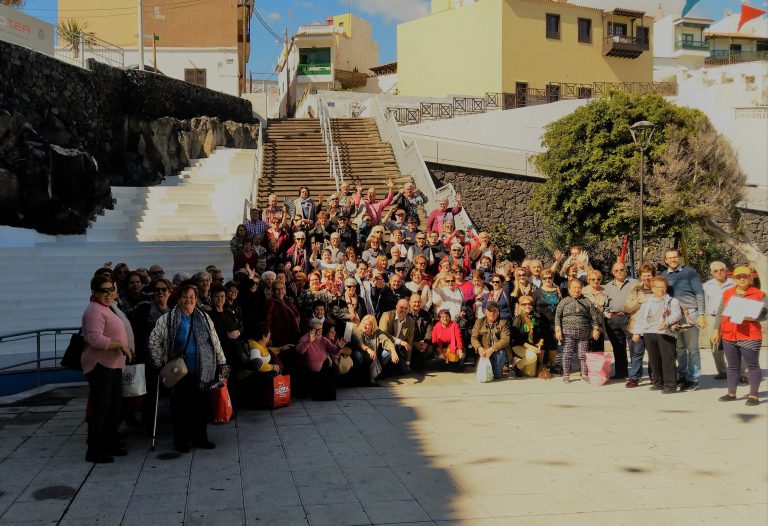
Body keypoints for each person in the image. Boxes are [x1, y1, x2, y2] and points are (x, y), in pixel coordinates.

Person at [149, 283, 229, 453]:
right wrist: (159, 364)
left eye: (192, 297)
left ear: (196, 299)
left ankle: (200, 438)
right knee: (181, 408)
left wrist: (222, 362)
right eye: (185, 296)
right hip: (179, 372)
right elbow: (154, 341)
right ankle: (181, 441)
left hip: (202, 370)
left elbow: (214, 341)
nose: (189, 300)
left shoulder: (204, 317)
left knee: (200, 407)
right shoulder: (168, 319)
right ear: (178, 299)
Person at [81, 275, 134, 463]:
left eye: (111, 289)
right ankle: (94, 450)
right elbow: (95, 339)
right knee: (102, 409)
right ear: (94, 292)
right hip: (100, 367)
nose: (109, 293)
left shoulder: (106, 308)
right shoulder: (94, 310)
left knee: (113, 408)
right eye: (104, 290)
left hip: (112, 366)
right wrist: (120, 344)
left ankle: (108, 443)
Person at [712, 266, 767, 406]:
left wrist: (752, 317)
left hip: (750, 335)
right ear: (734, 279)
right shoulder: (728, 293)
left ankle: (753, 396)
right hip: (729, 334)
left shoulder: (759, 294)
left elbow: (765, 314)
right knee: (732, 366)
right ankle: (731, 393)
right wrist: (715, 330)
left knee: (752, 366)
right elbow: (720, 313)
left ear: (750, 278)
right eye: (738, 276)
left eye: (745, 276)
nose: (742, 278)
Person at [661, 248, 706, 392]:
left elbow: (699, 293)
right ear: (665, 260)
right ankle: (683, 375)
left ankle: (694, 378)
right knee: (680, 349)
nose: (673, 260)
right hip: (675, 316)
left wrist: (701, 314)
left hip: (690, 314)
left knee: (692, 349)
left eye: (675, 257)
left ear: (679, 258)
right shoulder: (664, 275)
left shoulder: (689, 272)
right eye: (669, 258)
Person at [632, 276, 683, 394]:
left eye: (663, 287)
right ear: (652, 288)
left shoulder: (672, 301)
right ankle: (658, 382)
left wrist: (666, 322)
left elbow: (677, 315)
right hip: (649, 332)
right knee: (654, 359)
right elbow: (641, 317)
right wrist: (637, 332)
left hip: (665, 333)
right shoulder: (647, 301)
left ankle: (670, 385)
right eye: (658, 287)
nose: (661, 289)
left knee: (668, 359)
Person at [555, 279, 601, 383]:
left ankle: (584, 374)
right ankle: (566, 374)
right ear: (569, 289)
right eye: (574, 287)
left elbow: (594, 317)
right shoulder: (564, 301)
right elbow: (558, 316)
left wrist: (596, 329)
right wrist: (558, 330)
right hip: (567, 332)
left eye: (579, 287)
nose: (577, 290)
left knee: (583, 354)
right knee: (567, 354)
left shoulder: (587, 301)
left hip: (584, 332)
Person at [702, 261, 736, 380]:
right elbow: (704, 302)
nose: (719, 272)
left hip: (731, 317)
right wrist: (703, 318)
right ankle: (722, 371)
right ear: (711, 273)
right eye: (716, 271)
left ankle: (739, 372)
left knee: (734, 344)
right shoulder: (707, 286)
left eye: (721, 270)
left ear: (726, 271)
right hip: (713, 317)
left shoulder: (734, 284)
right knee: (715, 345)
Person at [603, 262, 636, 380]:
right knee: (617, 346)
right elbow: (606, 303)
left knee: (634, 346)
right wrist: (607, 314)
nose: (619, 272)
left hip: (629, 317)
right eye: (616, 271)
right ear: (612, 272)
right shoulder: (608, 286)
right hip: (614, 319)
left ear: (626, 271)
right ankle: (621, 372)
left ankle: (635, 374)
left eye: (621, 270)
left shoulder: (634, 283)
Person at [623, 264, 655, 387]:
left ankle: (654, 376)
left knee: (653, 353)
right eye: (644, 275)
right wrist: (639, 302)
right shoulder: (635, 289)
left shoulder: (658, 287)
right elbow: (627, 307)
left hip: (653, 326)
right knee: (637, 353)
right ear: (640, 276)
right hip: (637, 326)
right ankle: (634, 377)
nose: (646, 278)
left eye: (649, 275)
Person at [349, 314, 398, 386]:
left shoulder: (377, 332)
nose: (364, 326)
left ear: (373, 326)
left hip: (373, 357)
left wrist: (393, 352)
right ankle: (361, 375)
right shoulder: (358, 330)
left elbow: (387, 341)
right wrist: (368, 349)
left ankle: (376, 372)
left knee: (387, 352)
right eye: (363, 323)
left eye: (367, 325)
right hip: (362, 356)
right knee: (357, 355)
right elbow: (359, 342)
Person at [471, 301, 510, 380]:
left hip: (497, 351)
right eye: (490, 311)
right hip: (484, 351)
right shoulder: (478, 322)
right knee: (486, 373)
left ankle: (498, 371)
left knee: (496, 375)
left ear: (498, 312)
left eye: (494, 311)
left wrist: (492, 349)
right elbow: (473, 338)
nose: (492, 313)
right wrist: (479, 348)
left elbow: (505, 339)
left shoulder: (503, 323)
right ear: (485, 312)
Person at [531, 269, 561, 371]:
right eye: (545, 278)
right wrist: (535, 315)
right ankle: (540, 366)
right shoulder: (537, 292)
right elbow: (532, 307)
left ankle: (552, 366)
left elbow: (561, 307)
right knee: (541, 344)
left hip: (554, 322)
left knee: (553, 344)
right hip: (540, 323)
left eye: (550, 277)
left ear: (553, 278)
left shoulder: (558, 291)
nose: (547, 280)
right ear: (541, 279)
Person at [379, 299, 416, 373]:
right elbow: (382, 334)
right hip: (384, 346)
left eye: (406, 308)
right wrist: (400, 342)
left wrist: (407, 363)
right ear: (396, 307)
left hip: (398, 349)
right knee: (386, 354)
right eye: (401, 307)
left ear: (409, 309)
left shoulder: (411, 321)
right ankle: (379, 370)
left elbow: (410, 342)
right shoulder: (387, 315)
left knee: (403, 370)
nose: (404, 310)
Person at [511, 296, 544, 377]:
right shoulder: (518, 319)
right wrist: (531, 348)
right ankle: (517, 365)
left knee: (530, 374)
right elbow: (516, 338)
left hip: (531, 346)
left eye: (529, 304)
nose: (527, 306)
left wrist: (540, 343)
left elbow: (541, 333)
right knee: (532, 357)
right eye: (524, 304)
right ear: (520, 306)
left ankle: (524, 363)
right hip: (519, 346)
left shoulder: (536, 318)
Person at [582, 269, 607, 352]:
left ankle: (597, 365)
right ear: (588, 280)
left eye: (598, 279)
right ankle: (587, 365)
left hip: (600, 322)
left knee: (598, 349)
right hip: (586, 322)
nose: (596, 281)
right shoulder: (583, 291)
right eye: (593, 279)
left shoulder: (605, 290)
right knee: (586, 349)